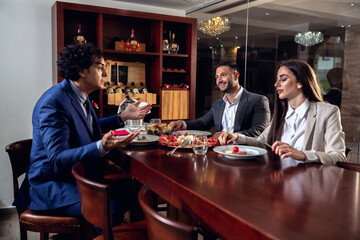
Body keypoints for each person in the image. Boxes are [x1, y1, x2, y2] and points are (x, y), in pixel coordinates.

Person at [13, 43, 151, 222]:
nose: (105, 74)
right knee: (111, 208)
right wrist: (101, 146)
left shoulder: (79, 94)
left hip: (75, 178)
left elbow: (85, 127)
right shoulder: (54, 102)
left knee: (135, 193)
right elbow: (58, 159)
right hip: (52, 186)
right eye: (100, 67)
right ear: (81, 70)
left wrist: (121, 117)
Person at [218, 59, 346, 165]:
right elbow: (262, 143)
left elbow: (339, 156)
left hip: (307, 185)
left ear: (300, 82)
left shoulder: (328, 112)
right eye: (277, 79)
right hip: (277, 179)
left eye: (283, 79)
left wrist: (302, 155)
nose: (276, 84)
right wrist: (237, 137)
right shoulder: (282, 113)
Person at [169, 61, 270, 138]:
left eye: (223, 75)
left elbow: (260, 130)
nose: (219, 80)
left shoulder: (258, 100)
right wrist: (182, 123)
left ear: (236, 76)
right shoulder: (218, 104)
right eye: (217, 77)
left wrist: (231, 135)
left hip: (244, 154)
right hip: (219, 153)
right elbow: (202, 123)